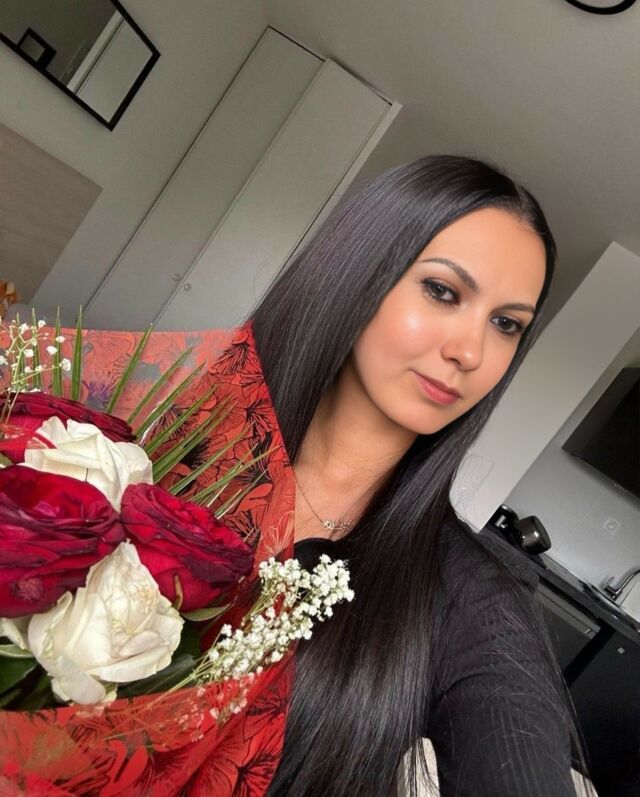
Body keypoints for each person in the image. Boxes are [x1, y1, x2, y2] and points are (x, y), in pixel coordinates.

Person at [238, 155, 595, 796]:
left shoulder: (471, 594)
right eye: (443, 292)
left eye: (506, 324)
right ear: (359, 273)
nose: (470, 352)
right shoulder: (164, 448)